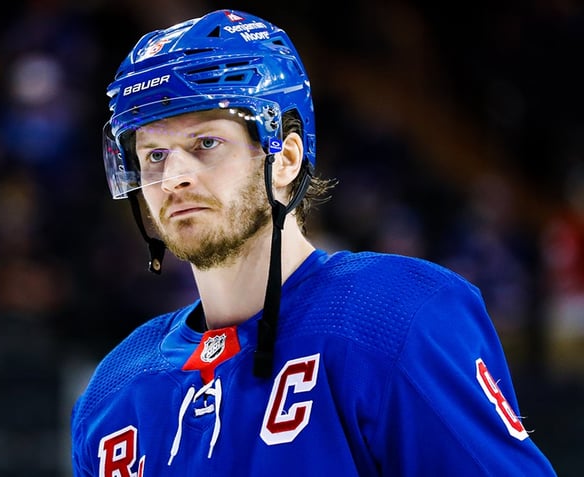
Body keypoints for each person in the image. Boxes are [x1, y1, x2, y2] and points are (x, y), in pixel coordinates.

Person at [70, 9, 557, 476]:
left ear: (285, 160)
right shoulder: (113, 396)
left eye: (206, 144)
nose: (173, 177)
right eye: (154, 154)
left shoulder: (395, 316)